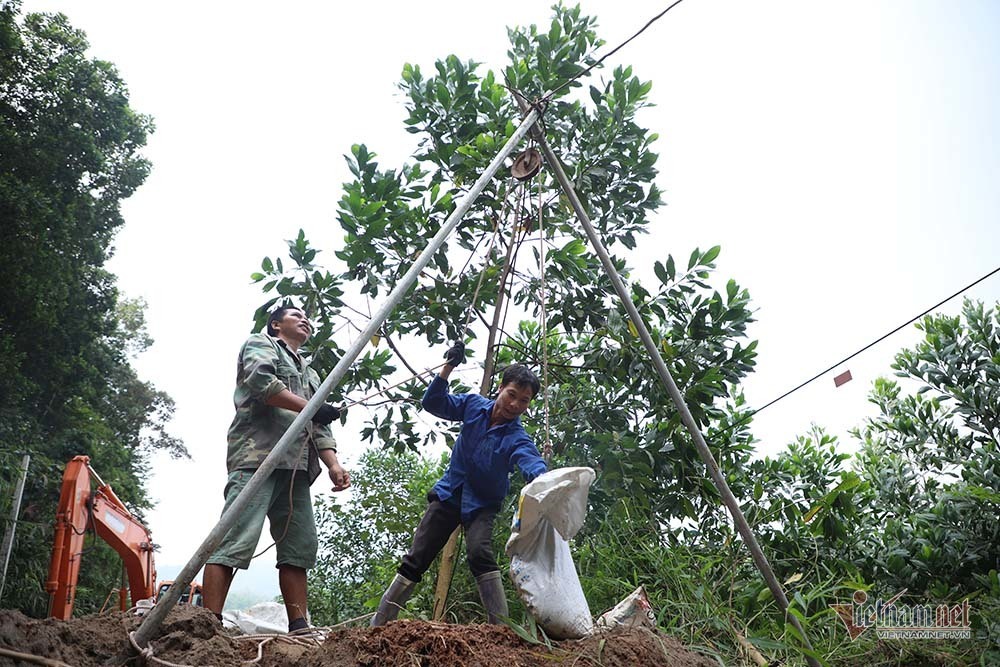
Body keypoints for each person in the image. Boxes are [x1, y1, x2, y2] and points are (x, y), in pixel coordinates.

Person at [371, 341, 547, 626]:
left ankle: (500, 629)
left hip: (482, 504)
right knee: (417, 557)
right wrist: (448, 367)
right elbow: (433, 403)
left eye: (524, 401)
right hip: (450, 493)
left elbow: (531, 462)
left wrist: (542, 480)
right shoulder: (473, 405)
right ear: (500, 388)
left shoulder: (517, 437)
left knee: (480, 553)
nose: (515, 405)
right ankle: (378, 625)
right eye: (512, 395)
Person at [203, 304, 350, 632]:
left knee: (299, 545)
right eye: (296, 316)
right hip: (258, 458)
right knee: (235, 537)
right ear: (275, 325)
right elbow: (262, 384)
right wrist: (313, 408)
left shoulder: (310, 374)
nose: (305, 320)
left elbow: (320, 427)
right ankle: (207, 622)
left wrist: (334, 465)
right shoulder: (261, 344)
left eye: (307, 318)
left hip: (296, 468)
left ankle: (299, 625)